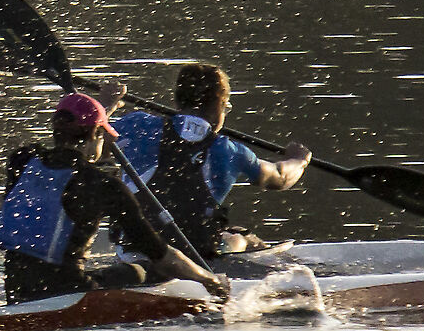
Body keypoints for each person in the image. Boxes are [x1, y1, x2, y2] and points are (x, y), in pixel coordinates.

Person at [0, 93, 230, 304]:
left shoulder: (22, 160)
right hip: (68, 292)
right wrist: (209, 279)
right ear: (97, 133)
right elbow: (161, 255)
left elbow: (65, 161)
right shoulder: (104, 186)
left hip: (16, 290)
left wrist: (100, 110)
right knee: (150, 270)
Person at [111, 63, 310, 258]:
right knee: (241, 238)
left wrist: (106, 104)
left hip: (133, 249)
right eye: (226, 107)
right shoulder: (228, 150)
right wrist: (299, 160)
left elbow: (90, 140)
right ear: (219, 106)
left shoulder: (136, 125)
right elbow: (280, 177)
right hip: (195, 254)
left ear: (179, 102)